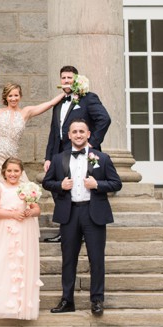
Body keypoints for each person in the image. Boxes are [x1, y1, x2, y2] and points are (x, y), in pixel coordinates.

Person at [43, 118, 121, 317]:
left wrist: (98, 185)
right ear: (69, 135)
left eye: (81, 131)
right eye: (74, 131)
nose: (78, 135)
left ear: (88, 134)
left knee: (96, 259)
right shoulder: (59, 157)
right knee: (68, 259)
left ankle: (97, 300)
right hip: (69, 213)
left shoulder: (102, 158)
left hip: (93, 212)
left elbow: (116, 183)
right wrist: (60, 185)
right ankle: (67, 300)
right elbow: (47, 182)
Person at [0, 83, 63, 241]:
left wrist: (65, 92)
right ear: (5, 97)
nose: (13, 98)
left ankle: (25, 230)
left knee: (25, 188)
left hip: (11, 159)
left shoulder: (25, 112)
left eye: (16, 95)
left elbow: (49, 104)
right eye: (10, 95)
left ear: (20, 96)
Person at [43, 65, 112, 243]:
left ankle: (83, 229)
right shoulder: (58, 103)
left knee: (80, 189)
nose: (66, 81)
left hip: (81, 152)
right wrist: (48, 157)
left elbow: (104, 119)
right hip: (60, 154)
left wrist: (92, 143)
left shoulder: (88, 98)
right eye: (63, 78)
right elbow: (54, 132)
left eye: (69, 78)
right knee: (61, 190)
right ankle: (65, 230)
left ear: (76, 80)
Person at [0, 157, 43, 320]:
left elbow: (36, 208)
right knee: (3, 262)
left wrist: (31, 212)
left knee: (21, 265)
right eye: (10, 171)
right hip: (5, 230)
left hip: (24, 230)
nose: (13, 174)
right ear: (4, 172)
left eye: (16, 171)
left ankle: (20, 305)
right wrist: (12, 214)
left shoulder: (26, 188)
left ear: (21, 172)